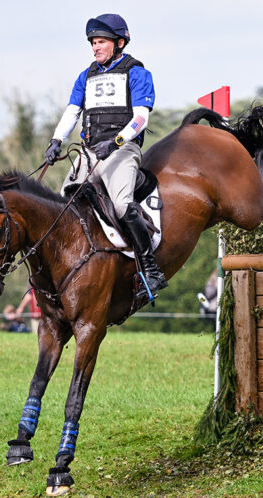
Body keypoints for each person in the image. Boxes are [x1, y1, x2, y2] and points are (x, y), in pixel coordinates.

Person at [44, 14, 166, 302]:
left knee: (123, 205)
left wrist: (116, 142)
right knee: (62, 208)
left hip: (121, 151)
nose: (95, 48)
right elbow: (72, 112)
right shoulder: (86, 76)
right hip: (89, 153)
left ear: (119, 43)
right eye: (93, 43)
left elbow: (141, 118)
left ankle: (150, 269)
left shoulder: (136, 73)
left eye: (101, 42)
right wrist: (56, 140)